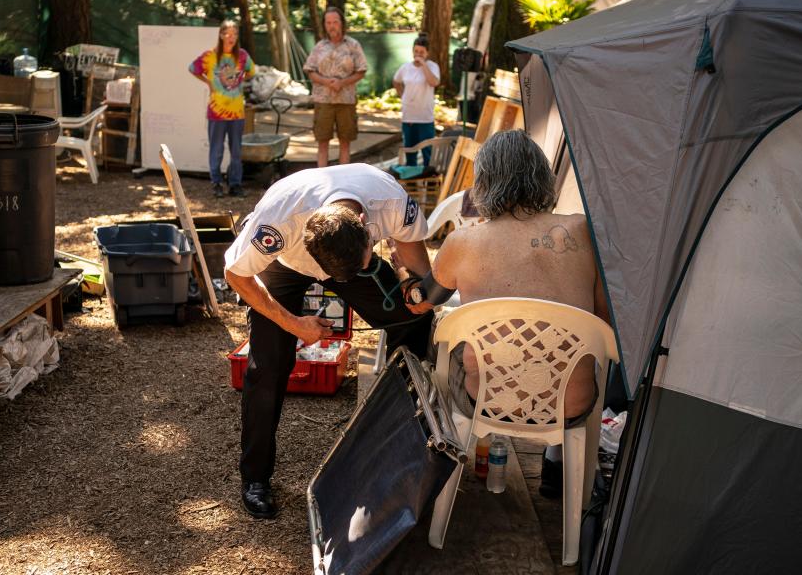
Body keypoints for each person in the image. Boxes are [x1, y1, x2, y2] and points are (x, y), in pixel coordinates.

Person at [405, 129, 610, 498]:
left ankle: (445, 463)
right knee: (567, 351)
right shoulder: (583, 230)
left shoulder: (462, 243)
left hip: (487, 399)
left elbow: (422, 301)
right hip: (570, 405)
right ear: (544, 178)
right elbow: (602, 319)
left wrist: (408, 281)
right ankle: (557, 463)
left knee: (445, 354)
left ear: (482, 183)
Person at [223, 163, 434, 519]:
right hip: (287, 264)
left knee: (413, 317)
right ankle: (255, 477)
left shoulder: (392, 203)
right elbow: (236, 274)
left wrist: (416, 289)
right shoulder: (279, 221)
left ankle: (401, 438)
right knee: (268, 363)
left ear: (369, 230)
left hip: (353, 257)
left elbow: (418, 266)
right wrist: (293, 324)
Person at [188, 19, 255, 198]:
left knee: (236, 151)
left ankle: (235, 184)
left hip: (237, 113)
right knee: (216, 150)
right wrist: (208, 81)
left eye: (234, 34)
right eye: (228, 33)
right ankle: (216, 182)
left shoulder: (242, 56)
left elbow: (252, 71)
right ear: (221, 35)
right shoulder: (210, 56)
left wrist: (240, 79)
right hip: (216, 113)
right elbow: (192, 68)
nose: (231, 37)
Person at [303, 7, 368, 167]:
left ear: (342, 24)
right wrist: (326, 82)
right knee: (322, 141)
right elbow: (310, 70)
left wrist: (342, 83)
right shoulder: (319, 46)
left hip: (346, 100)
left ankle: (343, 181)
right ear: (325, 25)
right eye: (328, 22)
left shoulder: (353, 45)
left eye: (335, 22)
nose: (332, 26)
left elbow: (361, 70)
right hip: (323, 100)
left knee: (345, 142)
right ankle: (322, 181)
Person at [392, 33, 440, 168]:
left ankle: (430, 186)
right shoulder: (405, 67)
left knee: (428, 156)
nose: (418, 54)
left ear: (427, 53)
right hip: (409, 118)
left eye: (422, 52)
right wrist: (402, 96)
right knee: (410, 154)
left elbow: (433, 82)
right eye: (416, 51)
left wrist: (423, 65)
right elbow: (396, 81)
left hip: (425, 118)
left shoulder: (432, 66)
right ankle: (411, 187)